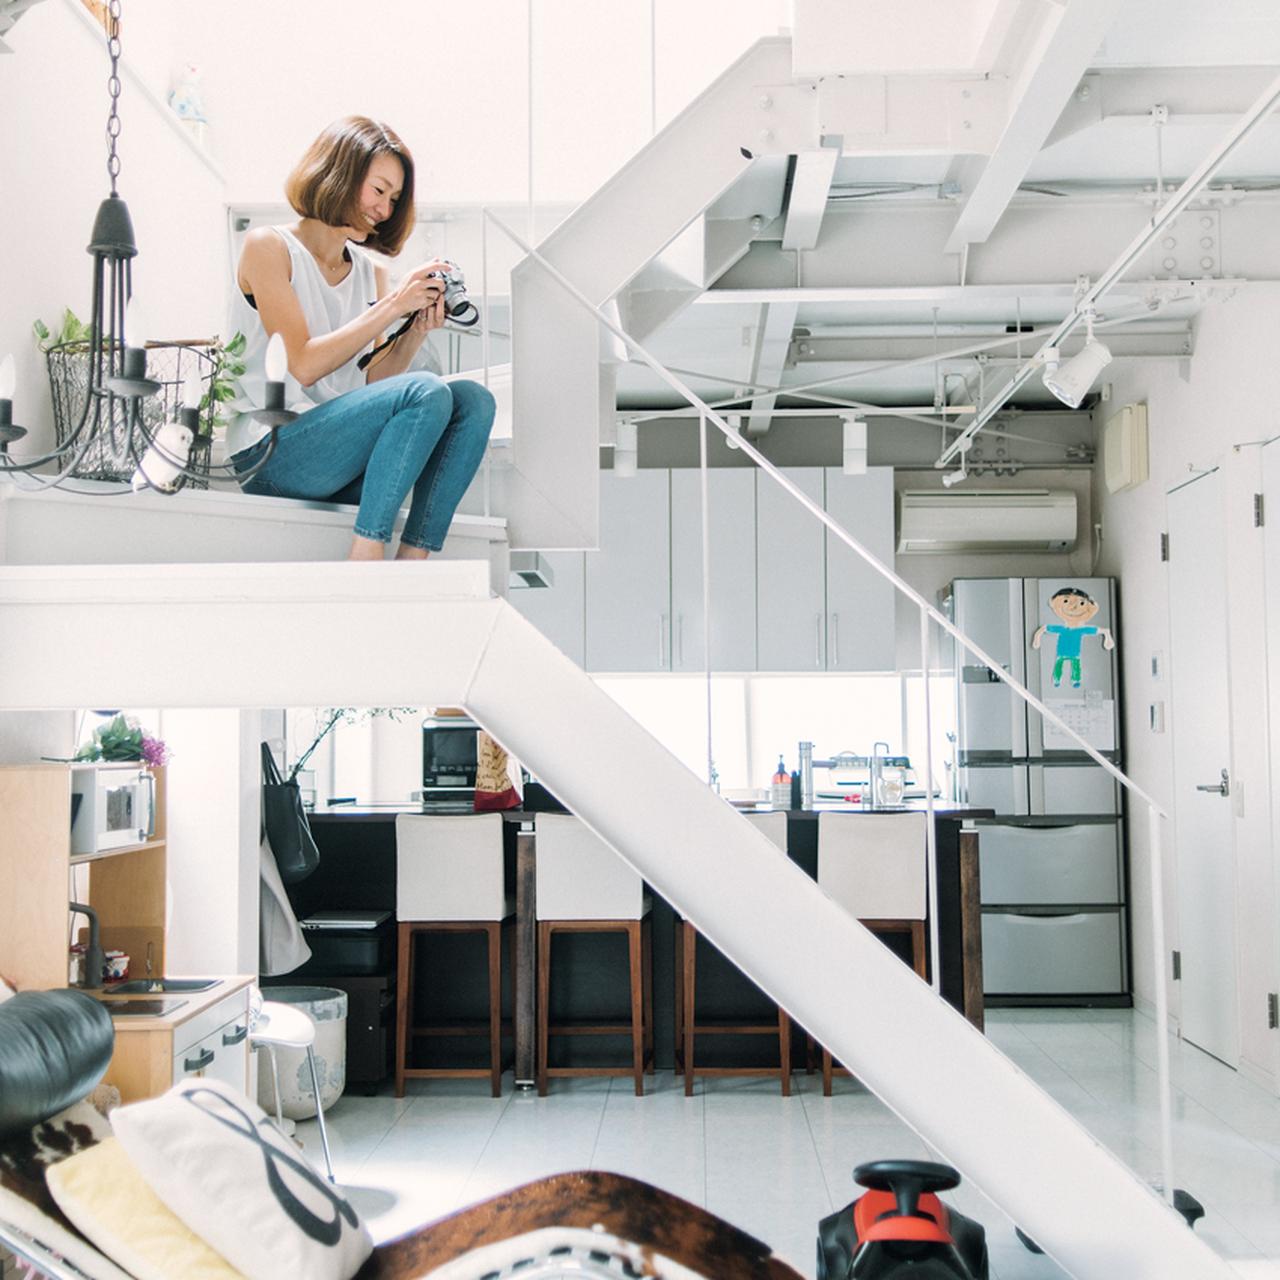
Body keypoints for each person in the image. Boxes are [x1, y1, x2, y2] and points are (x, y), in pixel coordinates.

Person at [226, 116, 494, 560]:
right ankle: (366, 556)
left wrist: (413, 329)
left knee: (473, 401)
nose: (385, 210)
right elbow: (304, 364)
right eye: (379, 190)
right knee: (424, 390)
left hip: (337, 447)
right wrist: (392, 307)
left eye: (394, 199)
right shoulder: (267, 247)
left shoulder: (371, 272)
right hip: (271, 450)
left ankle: (414, 557)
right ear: (340, 174)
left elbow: (371, 385)